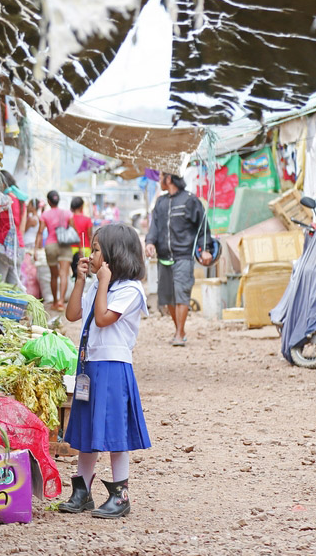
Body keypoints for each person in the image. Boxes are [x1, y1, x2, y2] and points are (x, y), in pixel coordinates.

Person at [60, 223, 151, 519]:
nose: (91, 254)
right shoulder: (96, 286)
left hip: (113, 366)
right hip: (89, 364)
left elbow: (102, 319)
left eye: (96, 249)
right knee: (88, 427)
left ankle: (120, 495)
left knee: (114, 430)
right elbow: (72, 314)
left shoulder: (130, 290)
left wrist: (101, 283)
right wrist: (80, 279)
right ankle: (82, 491)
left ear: (114, 255)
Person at [144, 172, 214, 346]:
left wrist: (205, 249)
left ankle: (178, 333)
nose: (159, 181)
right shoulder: (160, 202)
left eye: (161, 178)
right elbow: (154, 226)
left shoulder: (190, 200)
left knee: (182, 294)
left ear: (169, 179)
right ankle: (180, 330)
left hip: (184, 255)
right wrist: (150, 242)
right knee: (168, 298)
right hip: (164, 257)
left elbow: (202, 227)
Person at [36, 190, 72, 311]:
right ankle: (61, 301)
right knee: (63, 274)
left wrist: (36, 249)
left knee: (53, 275)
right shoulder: (67, 213)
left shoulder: (45, 215)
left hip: (51, 245)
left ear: (49, 201)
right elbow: (72, 229)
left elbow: (40, 232)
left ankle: (55, 302)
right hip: (65, 245)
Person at [0, 171, 25, 285]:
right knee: (14, 287)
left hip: (3, 246)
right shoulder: (20, 199)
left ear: (2, 185)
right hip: (18, 246)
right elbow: (21, 226)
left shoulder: (3, 200)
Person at [70, 196, 93, 273]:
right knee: (85, 272)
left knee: (73, 272)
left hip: (71, 248)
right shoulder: (87, 220)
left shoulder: (70, 219)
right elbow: (90, 236)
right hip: (85, 247)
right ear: (81, 206)